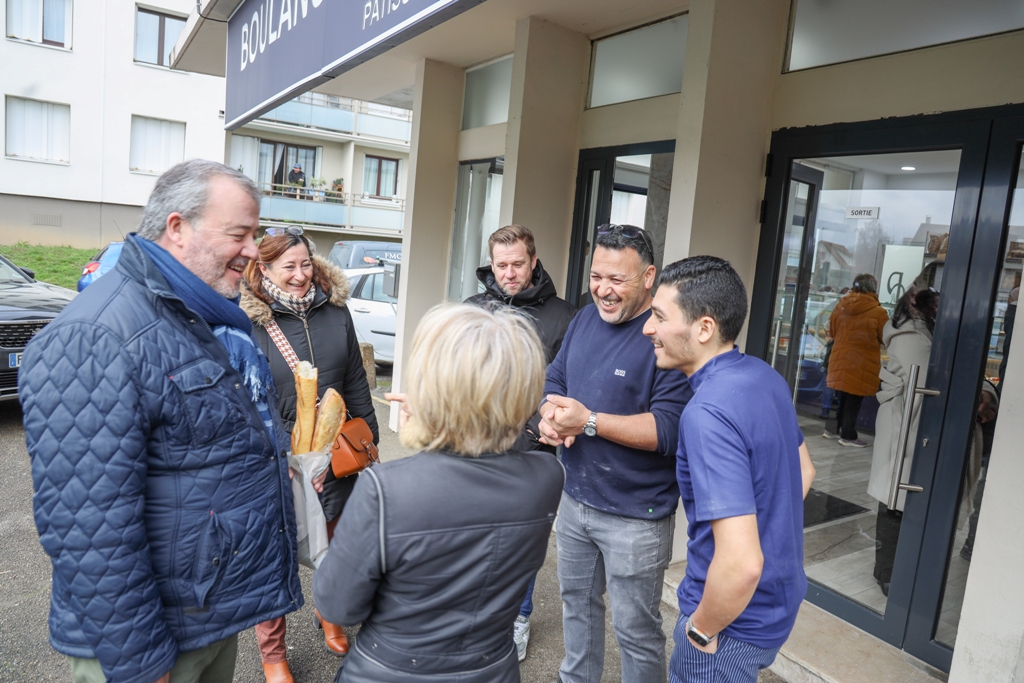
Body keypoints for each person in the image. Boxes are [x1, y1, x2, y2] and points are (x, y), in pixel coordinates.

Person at [19, 160, 302, 683]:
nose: (251, 250)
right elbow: (88, 525)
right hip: (148, 644)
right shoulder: (95, 337)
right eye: (238, 234)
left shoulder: (192, 314)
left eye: (255, 234)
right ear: (177, 227)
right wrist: (141, 661)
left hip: (205, 616)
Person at [312, 303, 564, 683]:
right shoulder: (548, 477)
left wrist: (434, 422)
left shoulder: (386, 489)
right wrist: (445, 418)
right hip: (492, 669)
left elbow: (337, 603)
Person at [643, 255, 815, 683]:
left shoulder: (706, 413)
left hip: (729, 628)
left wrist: (701, 630)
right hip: (774, 611)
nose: (648, 328)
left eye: (660, 317)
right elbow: (804, 473)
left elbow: (742, 563)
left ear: (704, 328)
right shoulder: (763, 375)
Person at [537, 224, 692, 683]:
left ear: (648, 277)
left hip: (637, 517)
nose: (603, 290)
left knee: (636, 631)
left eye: (616, 280)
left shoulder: (664, 337)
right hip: (576, 497)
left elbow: (668, 429)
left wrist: (586, 421)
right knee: (577, 610)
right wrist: (550, 413)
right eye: (596, 276)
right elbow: (555, 380)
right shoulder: (584, 319)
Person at [241, 227, 380, 683]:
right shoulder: (248, 320)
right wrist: (291, 453)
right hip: (275, 457)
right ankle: (273, 651)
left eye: (305, 264)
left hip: (335, 454)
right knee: (275, 554)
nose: (300, 276)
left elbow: (356, 379)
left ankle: (330, 611)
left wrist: (368, 439)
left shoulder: (334, 308)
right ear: (263, 269)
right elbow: (247, 400)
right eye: (288, 267)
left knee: (334, 542)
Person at [463, 223, 575, 661]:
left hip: (533, 449)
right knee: (474, 536)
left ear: (534, 261)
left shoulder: (563, 316)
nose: (509, 273)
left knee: (524, 540)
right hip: (474, 447)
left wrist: (530, 430)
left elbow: (562, 385)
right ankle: (476, 615)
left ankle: (518, 618)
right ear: (491, 264)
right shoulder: (472, 309)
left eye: (517, 264)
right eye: (501, 264)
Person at [866, 287, 938, 596]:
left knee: (895, 493)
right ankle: (888, 573)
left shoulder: (914, 329)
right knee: (894, 496)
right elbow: (922, 385)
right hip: (906, 423)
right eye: (936, 300)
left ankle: (888, 570)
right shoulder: (914, 335)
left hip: (906, 423)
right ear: (919, 304)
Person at [824, 273, 889, 447]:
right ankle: (848, 435)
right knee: (854, 398)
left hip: (840, 356)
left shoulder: (841, 305)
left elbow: (831, 330)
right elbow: (886, 337)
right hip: (861, 360)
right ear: (873, 288)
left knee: (840, 394)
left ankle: (832, 429)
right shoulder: (879, 312)